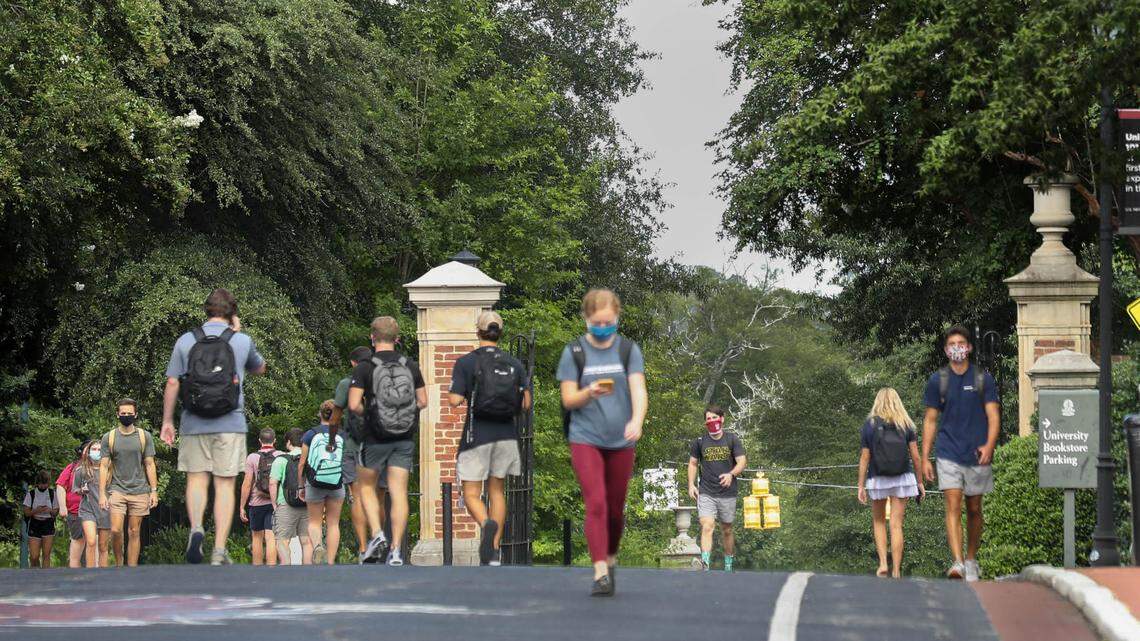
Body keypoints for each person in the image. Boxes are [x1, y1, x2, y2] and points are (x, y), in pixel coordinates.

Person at [161, 288, 267, 565]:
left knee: (196, 479)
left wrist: (167, 421)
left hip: (194, 421)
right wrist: (238, 331)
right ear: (232, 312)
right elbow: (260, 368)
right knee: (224, 484)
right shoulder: (242, 341)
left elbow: (173, 382)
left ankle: (196, 528)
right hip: (230, 422)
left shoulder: (186, 341)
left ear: (206, 310)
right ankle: (219, 550)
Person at [557, 289, 647, 596]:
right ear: (586, 319)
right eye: (597, 321)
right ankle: (599, 573)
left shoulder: (628, 350)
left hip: (621, 439)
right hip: (585, 437)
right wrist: (589, 392)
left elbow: (639, 389)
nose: (603, 326)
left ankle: (610, 559)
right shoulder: (574, 353)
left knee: (615, 510)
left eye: (608, 321)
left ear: (617, 317)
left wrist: (637, 420)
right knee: (595, 503)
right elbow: (568, 399)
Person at [447, 311, 531, 566]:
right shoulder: (514, 364)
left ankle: (486, 524)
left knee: (471, 493)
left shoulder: (466, 363)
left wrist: (466, 395)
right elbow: (526, 403)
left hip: (477, 435)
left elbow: (454, 400)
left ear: (478, 331)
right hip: (506, 435)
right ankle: (494, 552)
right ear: (500, 333)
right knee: (497, 492)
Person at [347, 316, 427, 566]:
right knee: (399, 491)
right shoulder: (410, 365)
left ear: (372, 338)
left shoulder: (364, 367)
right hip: (403, 437)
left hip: (374, 437)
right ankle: (395, 551)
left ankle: (377, 535)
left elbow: (352, 404)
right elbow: (423, 401)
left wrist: (370, 414)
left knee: (367, 487)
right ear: (397, 339)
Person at [922, 325, 999, 582]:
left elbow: (993, 415)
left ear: (969, 348)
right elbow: (930, 420)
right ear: (946, 350)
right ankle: (957, 563)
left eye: (961, 343)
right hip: (947, 452)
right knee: (953, 504)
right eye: (951, 344)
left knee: (975, 508)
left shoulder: (982, 379)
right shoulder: (938, 381)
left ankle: (971, 558)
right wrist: (925, 458)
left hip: (977, 453)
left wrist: (989, 445)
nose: (957, 348)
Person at [857, 388, 925, 578]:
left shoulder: (869, 425)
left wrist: (861, 485)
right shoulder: (906, 424)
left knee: (879, 521)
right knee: (896, 525)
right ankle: (896, 571)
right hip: (903, 478)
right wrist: (919, 483)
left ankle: (883, 564)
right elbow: (916, 457)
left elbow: (864, 457)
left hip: (878, 478)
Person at [330, 346, 388, 564]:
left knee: (358, 495)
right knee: (379, 496)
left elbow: (335, 416)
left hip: (354, 443)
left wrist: (331, 441)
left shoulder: (347, 384)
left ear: (353, 363)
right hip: (382, 444)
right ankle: (378, 538)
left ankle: (364, 548)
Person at [98, 398, 157, 567]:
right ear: (117, 414)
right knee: (116, 530)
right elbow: (103, 466)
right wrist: (102, 493)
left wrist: (154, 490)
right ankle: (119, 563)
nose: (126, 416)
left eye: (129, 414)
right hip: (117, 489)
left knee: (134, 531)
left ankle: (131, 570)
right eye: (123, 413)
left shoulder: (144, 436)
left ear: (135, 415)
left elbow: (149, 464)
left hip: (139, 489)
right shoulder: (108, 437)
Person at [687, 404, 746, 572]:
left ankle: (728, 564)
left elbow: (742, 461)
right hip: (706, 491)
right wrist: (691, 485)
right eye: (708, 419)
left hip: (728, 492)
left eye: (714, 417)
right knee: (707, 525)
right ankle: (705, 563)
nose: (712, 421)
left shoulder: (731, 439)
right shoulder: (699, 442)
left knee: (727, 529)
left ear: (722, 418)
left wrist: (731, 474)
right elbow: (692, 463)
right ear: (705, 422)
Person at [299, 400, 346, 565]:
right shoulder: (342, 435)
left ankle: (318, 546)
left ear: (320, 414)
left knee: (314, 522)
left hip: (315, 482)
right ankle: (331, 562)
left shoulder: (311, 434)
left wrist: (300, 485)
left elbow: (302, 463)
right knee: (333, 523)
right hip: (337, 483)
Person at [269, 428, 313, 565]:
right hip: (308, 504)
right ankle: (307, 572)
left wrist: (275, 504)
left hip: (285, 504)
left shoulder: (281, 460)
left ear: (288, 442)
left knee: (282, 540)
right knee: (306, 541)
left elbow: (272, 483)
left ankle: (287, 568)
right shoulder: (310, 458)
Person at [239, 428, 281, 565]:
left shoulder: (252, 457)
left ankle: (257, 571)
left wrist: (242, 507)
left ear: (259, 441)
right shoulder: (281, 455)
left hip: (256, 504)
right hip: (275, 503)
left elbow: (246, 483)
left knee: (257, 538)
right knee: (271, 537)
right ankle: (271, 570)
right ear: (274, 440)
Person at [74, 439, 112, 567]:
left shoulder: (110, 471)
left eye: (99, 450)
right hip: (87, 509)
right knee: (91, 541)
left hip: (105, 511)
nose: (96, 452)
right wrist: (81, 490)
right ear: (88, 452)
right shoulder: (81, 470)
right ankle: (90, 572)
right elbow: (75, 489)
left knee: (103, 546)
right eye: (94, 449)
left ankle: (103, 575)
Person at [56, 443, 88, 568]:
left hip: (96, 511)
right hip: (76, 511)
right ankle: (74, 572)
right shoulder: (72, 467)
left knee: (94, 542)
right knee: (78, 541)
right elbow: (60, 485)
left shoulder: (101, 467)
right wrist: (63, 507)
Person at [23, 470, 58, 568]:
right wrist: (36, 510)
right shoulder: (31, 494)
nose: (43, 486)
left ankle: (46, 578)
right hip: (35, 523)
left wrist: (49, 510)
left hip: (48, 524)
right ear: (37, 483)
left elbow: (56, 512)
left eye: (45, 484)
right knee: (34, 556)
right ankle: (35, 573)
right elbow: (26, 512)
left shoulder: (52, 494)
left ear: (48, 483)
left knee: (46, 555)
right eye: (41, 484)